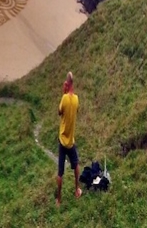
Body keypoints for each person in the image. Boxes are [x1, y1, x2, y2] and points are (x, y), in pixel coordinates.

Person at [56, 71, 81, 206]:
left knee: (60, 172)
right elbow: (76, 110)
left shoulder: (64, 98)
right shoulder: (76, 99)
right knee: (76, 165)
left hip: (62, 141)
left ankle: (59, 199)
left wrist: (63, 93)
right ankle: (77, 189)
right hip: (71, 142)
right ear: (73, 84)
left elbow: (59, 112)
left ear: (66, 84)